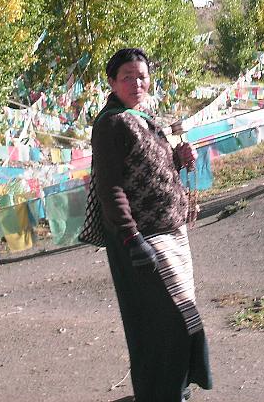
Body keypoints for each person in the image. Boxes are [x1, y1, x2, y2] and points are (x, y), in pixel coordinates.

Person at [91, 48, 213, 401]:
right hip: (144, 236)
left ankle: (177, 389)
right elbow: (110, 187)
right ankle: (161, 393)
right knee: (167, 319)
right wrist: (131, 238)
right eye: (127, 77)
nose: (136, 83)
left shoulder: (143, 117)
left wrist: (178, 158)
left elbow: (150, 169)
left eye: (141, 76)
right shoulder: (111, 123)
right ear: (112, 82)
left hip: (172, 231)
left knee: (181, 315)